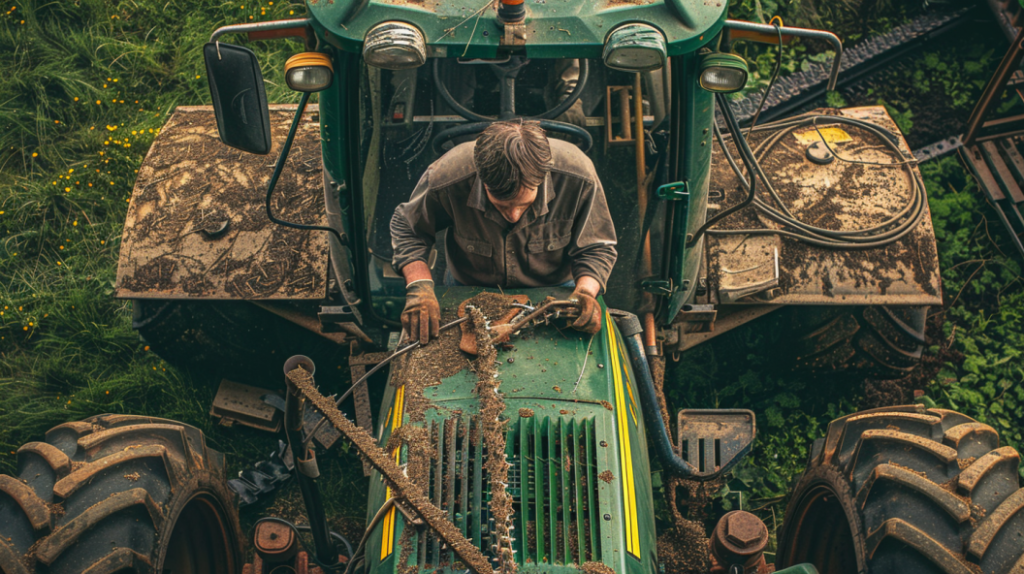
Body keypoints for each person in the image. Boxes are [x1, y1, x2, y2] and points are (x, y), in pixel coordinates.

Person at [390, 120, 617, 344]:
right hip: (468, 289)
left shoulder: (578, 178)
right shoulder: (447, 177)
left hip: (556, 293)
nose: (514, 217)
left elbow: (596, 245)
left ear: (542, 179)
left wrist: (585, 294)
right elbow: (409, 229)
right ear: (481, 180)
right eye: (502, 206)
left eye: (524, 205)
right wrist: (418, 286)